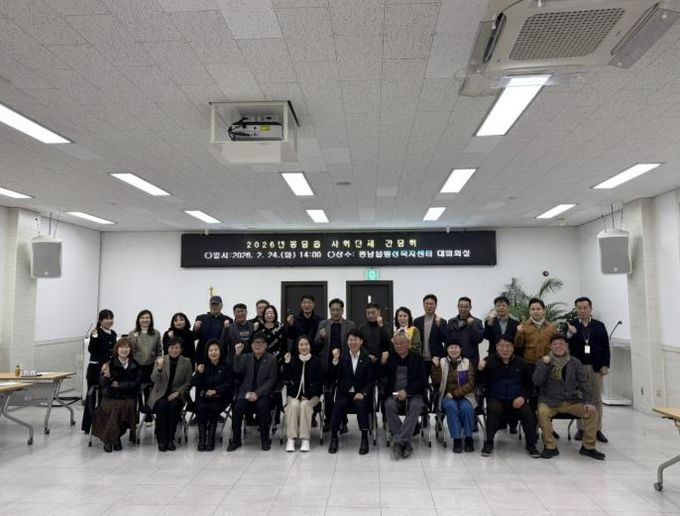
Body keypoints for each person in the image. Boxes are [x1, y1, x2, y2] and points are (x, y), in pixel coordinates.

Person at [533, 333, 606, 460]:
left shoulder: (575, 362)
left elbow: (584, 384)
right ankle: (550, 446)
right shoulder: (544, 361)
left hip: (570, 401)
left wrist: (588, 401)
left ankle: (588, 447)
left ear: (567, 346)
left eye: (561, 343)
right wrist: (544, 365)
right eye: (555, 344)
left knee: (592, 412)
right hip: (549, 401)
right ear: (551, 346)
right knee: (542, 412)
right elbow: (536, 382)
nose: (558, 346)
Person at [477, 335, 540, 458]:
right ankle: (489, 442)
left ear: (513, 348)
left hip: (516, 398)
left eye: (508, 346)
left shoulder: (521, 362)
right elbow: (478, 382)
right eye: (501, 346)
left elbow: (528, 384)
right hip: (496, 398)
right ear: (497, 347)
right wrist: (480, 370)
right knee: (494, 409)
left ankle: (531, 444)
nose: (505, 349)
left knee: (527, 412)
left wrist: (522, 397)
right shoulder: (488, 361)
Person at [567, 297, 610, 443]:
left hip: (596, 366)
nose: (582, 310)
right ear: (576, 309)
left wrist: (605, 365)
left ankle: (597, 429)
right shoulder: (571, 325)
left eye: (585, 308)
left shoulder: (599, 325)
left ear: (590, 308)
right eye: (579, 308)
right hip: (577, 367)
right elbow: (564, 345)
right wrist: (569, 335)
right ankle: (581, 428)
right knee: (580, 398)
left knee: (596, 398)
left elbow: (605, 346)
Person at [228, 332, 278, 451]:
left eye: (261, 343)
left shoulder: (271, 359)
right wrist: (238, 354)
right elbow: (237, 369)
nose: (258, 345)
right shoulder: (246, 357)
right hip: (247, 393)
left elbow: (272, 380)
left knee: (262, 407)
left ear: (266, 345)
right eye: (255, 343)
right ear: (251, 345)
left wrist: (257, 393)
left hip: (264, 395)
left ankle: (265, 440)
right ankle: (236, 441)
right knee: (237, 408)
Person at [328, 329, 374, 455]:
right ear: (347, 341)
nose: (353, 342)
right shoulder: (342, 357)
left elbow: (370, 382)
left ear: (361, 341)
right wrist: (335, 361)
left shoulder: (367, 359)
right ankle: (334, 438)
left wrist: (363, 393)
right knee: (338, 405)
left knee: (361, 405)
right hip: (345, 393)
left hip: (360, 394)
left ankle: (364, 438)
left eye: (356, 340)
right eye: (350, 340)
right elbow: (334, 376)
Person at [92, 337, 142, 452]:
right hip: (110, 397)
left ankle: (111, 440)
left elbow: (136, 383)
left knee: (121, 408)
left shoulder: (135, 364)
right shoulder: (109, 364)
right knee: (116, 408)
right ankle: (114, 439)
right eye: (121, 347)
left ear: (130, 349)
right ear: (117, 349)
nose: (124, 350)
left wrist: (118, 384)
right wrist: (107, 376)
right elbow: (103, 383)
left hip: (128, 397)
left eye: (127, 347)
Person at [383, 332, 427, 459]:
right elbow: (381, 376)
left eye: (402, 343)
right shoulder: (390, 358)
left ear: (408, 344)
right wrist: (381, 362)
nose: (399, 346)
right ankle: (406, 442)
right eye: (396, 344)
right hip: (394, 394)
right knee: (389, 405)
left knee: (416, 406)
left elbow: (422, 380)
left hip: (414, 394)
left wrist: (406, 391)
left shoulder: (417, 358)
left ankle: (398, 441)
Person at [315, 298, 355, 431]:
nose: (335, 312)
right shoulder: (323, 324)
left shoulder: (350, 325)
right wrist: (321, 337)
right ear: (329, 310)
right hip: (327, 364)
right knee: (328, 394)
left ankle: (343, 421)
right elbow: (316, 344)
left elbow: (355, 342)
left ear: (342, 310)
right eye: (333, 310)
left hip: (344, 364)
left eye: (338, 310)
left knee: (342, 393)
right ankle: (329, 420)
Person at [147, 337, 192, 451]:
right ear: (168, 348)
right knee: (162, 406)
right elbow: (153, 378)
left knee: (174, 407)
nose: (174, 350)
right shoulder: (160, 360)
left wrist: (177, 393)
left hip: (177, 395)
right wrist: (159, 368)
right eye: (172, 347)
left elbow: (188, 382)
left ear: (181, 349)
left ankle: (171, 439)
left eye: (177, 348)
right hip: (160, 394)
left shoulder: (187, 362)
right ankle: (162, 440)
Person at [431, 340, 476, 453]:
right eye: (451, 348)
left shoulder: (467, 362)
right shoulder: (442, 362)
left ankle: (468, 438)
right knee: (451, 408)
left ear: (461, 349)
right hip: (446, 396)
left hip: (465, 396)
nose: (454, 350)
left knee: (467, 408)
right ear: (447, 350)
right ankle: (457, 440)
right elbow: (436, 382)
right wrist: (436, 367)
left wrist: (455, 394)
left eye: (456, 347)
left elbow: (471, 384)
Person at [283, 336, 323, 452]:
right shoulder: (293, 360)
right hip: (294, 395)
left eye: (306, 344)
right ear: (297, 347)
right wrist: (287, 363)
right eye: (301, 345)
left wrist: (309, 395)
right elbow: (286, 379)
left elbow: (320, 382)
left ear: (310, 346)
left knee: (305, 405)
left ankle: (305, 439)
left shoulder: (316, 361)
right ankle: (291, 438)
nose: (304, 347)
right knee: (293, 405)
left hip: (312, 396)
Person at [193, 339, 233, 451]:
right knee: (200, 408)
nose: (213, 352)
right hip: (205, 397)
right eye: (210, 350)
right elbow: (195, 383)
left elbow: (229, 383)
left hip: (221, 397)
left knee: (212, 408)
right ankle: (202, 440)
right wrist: (199, 373)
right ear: (207, 352)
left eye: (216, 350)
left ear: (220, 351)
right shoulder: (203, 365)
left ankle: (210, 440)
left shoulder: (226, 365)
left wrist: (216, 390)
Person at [82, 309, 116, 433]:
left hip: (107, 369)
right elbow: (92, 350)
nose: (109, 321)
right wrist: (94, 337)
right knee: (91, 396)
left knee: (105, 396)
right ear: (100, 320)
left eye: (111, 318)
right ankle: (87, 425)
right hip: (95, 368)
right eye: (106, 318)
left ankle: (102, 423)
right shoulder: (96, 332)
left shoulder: (113, 333)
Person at [128, 309, 162, 424]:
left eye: (147, 317)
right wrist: (134, 338)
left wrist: (159, 363)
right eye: (142, 318)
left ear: (151, 320)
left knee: (149, 391)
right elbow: (130, 350)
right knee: (136, 391)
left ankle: (148, 416)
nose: (145, 320)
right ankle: (135, 418)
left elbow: (159, 350)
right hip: (136, 367)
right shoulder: (132, 333)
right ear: (138, 320)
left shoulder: (156, 333)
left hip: (150, 366)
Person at [514, 298, 556, 373]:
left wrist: (551, 357)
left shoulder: (551, 327)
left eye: (538, 309)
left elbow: (556, 345)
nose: (535, 311)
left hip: (547, 363)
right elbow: (518, 345)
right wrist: (519, 333)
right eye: (533, 309)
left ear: (544, 311)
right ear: (529, 311)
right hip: (529, 364)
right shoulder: (523, 325)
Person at [413, 294, 448, 374]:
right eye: (427, 304)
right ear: (423, 305)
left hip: (436, 358)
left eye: (431, 304)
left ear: (436, 305)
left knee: (437, 380)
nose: (429, 306)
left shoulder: (442, 321)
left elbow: (445, 339)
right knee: (422, 381)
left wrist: (439, 326)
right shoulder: (417, 321)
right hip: (421, 359)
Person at [194, 296, 233, 365]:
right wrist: (195, 329)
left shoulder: (228, 320)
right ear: (209, 306)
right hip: (203, 357)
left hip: (221, 357)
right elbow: (194, 337)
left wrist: (227, 329)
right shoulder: (201, 318)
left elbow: (229, 340)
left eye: (217, 304)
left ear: (221, 306)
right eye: (212, 304)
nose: (214, 307)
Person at [447, 297, 484, 365]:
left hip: (471, 360)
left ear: (470, 307)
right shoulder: (451, 322)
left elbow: (479, 339)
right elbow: (447, 341)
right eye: (461, 306)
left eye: (466, 307)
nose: (463, 309)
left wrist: (472, 326)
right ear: (458, 307)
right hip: (454, 359)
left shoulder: (477, 322)